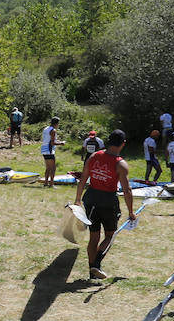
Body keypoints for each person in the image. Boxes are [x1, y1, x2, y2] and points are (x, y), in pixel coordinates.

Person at [73, 129, 137, 279]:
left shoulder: (94, 156)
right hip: (108, 202)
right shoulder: (121, 164)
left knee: (93, 237)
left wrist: (77, 199)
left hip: (91, 200)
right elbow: (127, 190)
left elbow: (83, 179)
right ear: (123, 144)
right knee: (110, 235)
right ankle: (96, 264)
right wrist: (131, 211)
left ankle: (92, 272)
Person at [40, 116, 63, 186]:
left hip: (43, 149)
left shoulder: (46, 128)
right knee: (53, 168)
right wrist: (61, 143)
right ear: (56, 123)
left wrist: (57, 141)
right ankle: (51, 184)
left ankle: (46, 183)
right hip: (49, 150)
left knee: (48, 168)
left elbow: (48, 139)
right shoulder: (53, 130)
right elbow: (52, 143)